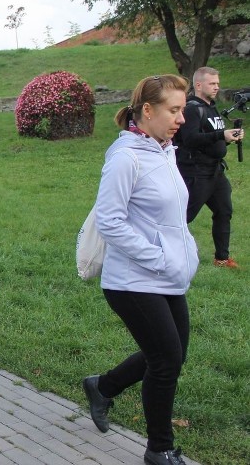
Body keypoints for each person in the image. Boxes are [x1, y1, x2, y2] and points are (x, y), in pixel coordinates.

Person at [83, 75, 199, 465]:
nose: (181, 118)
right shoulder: (126, 156)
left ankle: (103, 386)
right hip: (132, 280)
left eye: (182, 109)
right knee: (165, 360)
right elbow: (110, 220)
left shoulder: (163, 150)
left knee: (171, 354)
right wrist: (158, 256)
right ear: (147, 111)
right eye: (174, 110)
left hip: (165, 276)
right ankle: (159, 449)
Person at [173, 66, 243, 269]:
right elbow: (191, 139)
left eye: (218, 83)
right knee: (184, 215)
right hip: (196, 171)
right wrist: (221, 135)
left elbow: (211, 138)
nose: (217, 87)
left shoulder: (211, 107)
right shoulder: (192, 108)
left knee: (224, 211)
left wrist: (228, 138)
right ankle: (158, 249)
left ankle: (222, 258)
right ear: (198, 84)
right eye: (212, 84)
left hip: (216, 172)